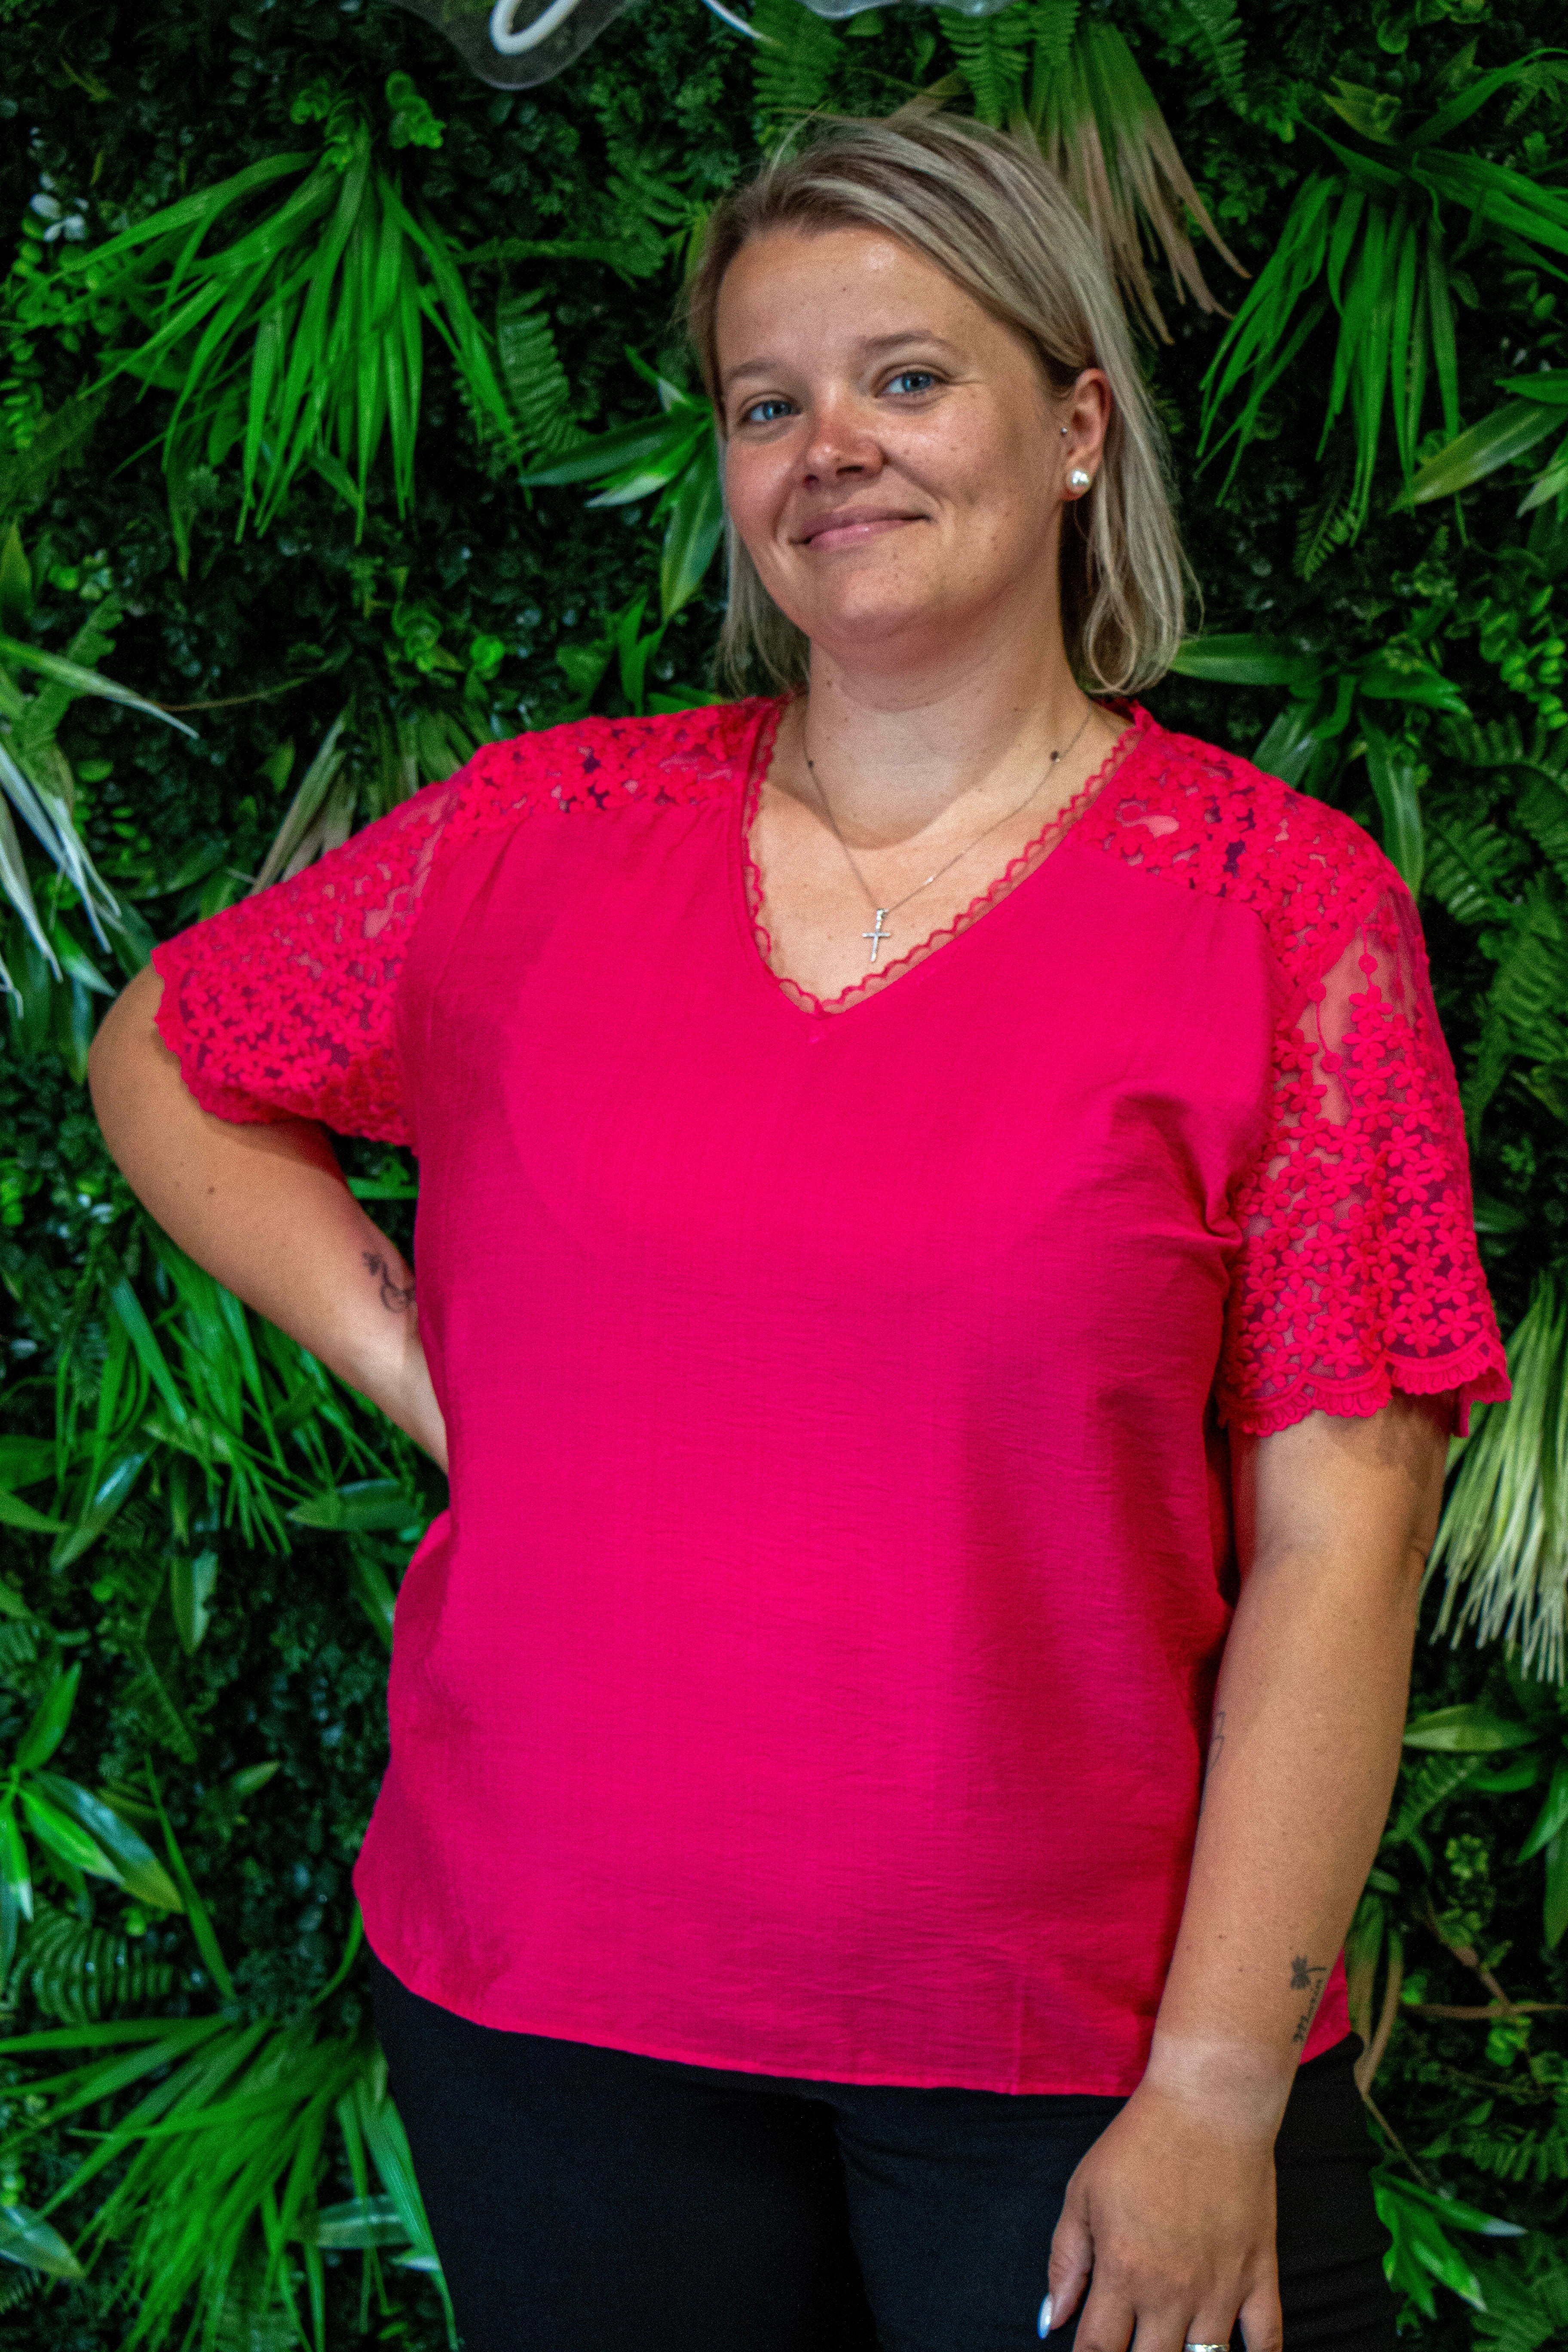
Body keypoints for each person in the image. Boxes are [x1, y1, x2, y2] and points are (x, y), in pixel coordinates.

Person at [90, 111, 1508, 2352]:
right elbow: (170, 1049)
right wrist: (431, 1373)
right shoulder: (539, 840)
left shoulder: (1277, 912)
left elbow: (1347, 1537)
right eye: (769, 404)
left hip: (1068, 2042)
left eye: (906, 379)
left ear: (1076, 428)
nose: (829, 446)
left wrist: (1218, 2087)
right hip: (551, 2001)